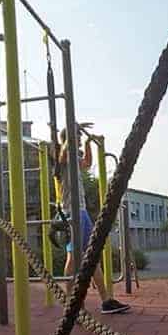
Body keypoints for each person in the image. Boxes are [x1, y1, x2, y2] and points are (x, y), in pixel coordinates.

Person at [56, 126, 130, 314]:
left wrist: (89, 143)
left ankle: (106, 300)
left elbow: (88, 163)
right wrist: (72, 133)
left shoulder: (75, 160)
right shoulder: (61, 159)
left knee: (92, 255)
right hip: (70, 212)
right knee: (73, 258)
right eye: (78, 138)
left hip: (82, 212)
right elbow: (64, 151)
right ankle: (71, 303)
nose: (79, 140)